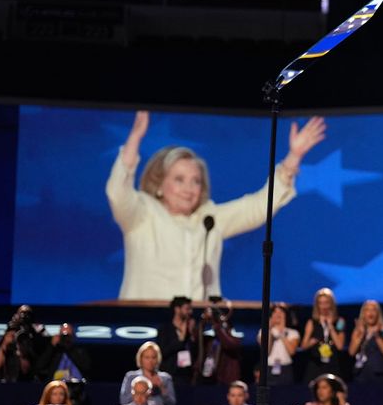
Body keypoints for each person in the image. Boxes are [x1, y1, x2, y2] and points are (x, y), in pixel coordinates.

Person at [106, 110, 326, 302]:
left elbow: (257, 207)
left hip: (200, 332)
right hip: (147, 330)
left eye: (196, 181)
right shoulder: (142, 213)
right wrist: (135, 138)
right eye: (179, 179)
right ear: (159, 184)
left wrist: (293, 157)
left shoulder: (209, 219)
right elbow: (118, 193)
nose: (189, 188)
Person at [300, 287, 347, 383]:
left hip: (333, 364)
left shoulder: (339, 322)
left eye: (326, 303)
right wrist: (316, 339)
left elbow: (340, 346)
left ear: (331, 304)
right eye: (321, 303)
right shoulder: (312, 322)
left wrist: (330, 326)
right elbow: (304, 346)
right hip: (316, 365)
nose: (324, 306)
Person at [120, 341, 176, 405]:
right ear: (140, 359)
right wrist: (141, 390)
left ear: (158, 359)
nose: (150, 361)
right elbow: (124, 401)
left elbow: (172, 404)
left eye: (153, 357)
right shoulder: (131, 377)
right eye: (147, 357)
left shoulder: (165, 378)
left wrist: (162, 388)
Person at [193, 298, 240, 386]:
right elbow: (195, 337)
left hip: (224, 380)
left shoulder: (234, 338)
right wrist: (203, 321)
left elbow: (229, 345)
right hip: (206, 378)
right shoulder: (209, 339)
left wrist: (217, 326)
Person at [0, 305, 43, 382]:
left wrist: (20, 349)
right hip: (4, 383)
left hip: (24, 384)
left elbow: (26, 370)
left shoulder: (34, 339)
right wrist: (5, 344)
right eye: (21, 313)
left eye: (27, 314)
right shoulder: (7, 335)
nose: (24, 316)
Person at [155, 297, 198, 387]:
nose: (190, 312)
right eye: (187, 309)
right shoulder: (165, 329)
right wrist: (180, 340)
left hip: (186, 376)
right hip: (169, 374)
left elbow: (196, 351)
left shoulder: (191, 329)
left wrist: (192, 334)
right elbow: (163, 351)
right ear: (177, 309)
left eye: (191, 309)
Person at [348, 299, 383, 383]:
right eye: (367, 310)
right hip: (360, 372)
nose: (370, 313)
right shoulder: (358, 330)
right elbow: (351, 352)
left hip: (378, 373)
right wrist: (361, 335)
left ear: (378, 313)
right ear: (363, 313)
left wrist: (377, 336)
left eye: (373, 310)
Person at [259, 302, 299, 386]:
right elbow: (266, 350)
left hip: (285, 368)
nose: (278, 315)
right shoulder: (264, 331)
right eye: (275, 312)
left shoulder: (293, 333)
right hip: (269, 368)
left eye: (281, 312)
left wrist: (281, 333)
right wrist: (269, 328)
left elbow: (292, 351)